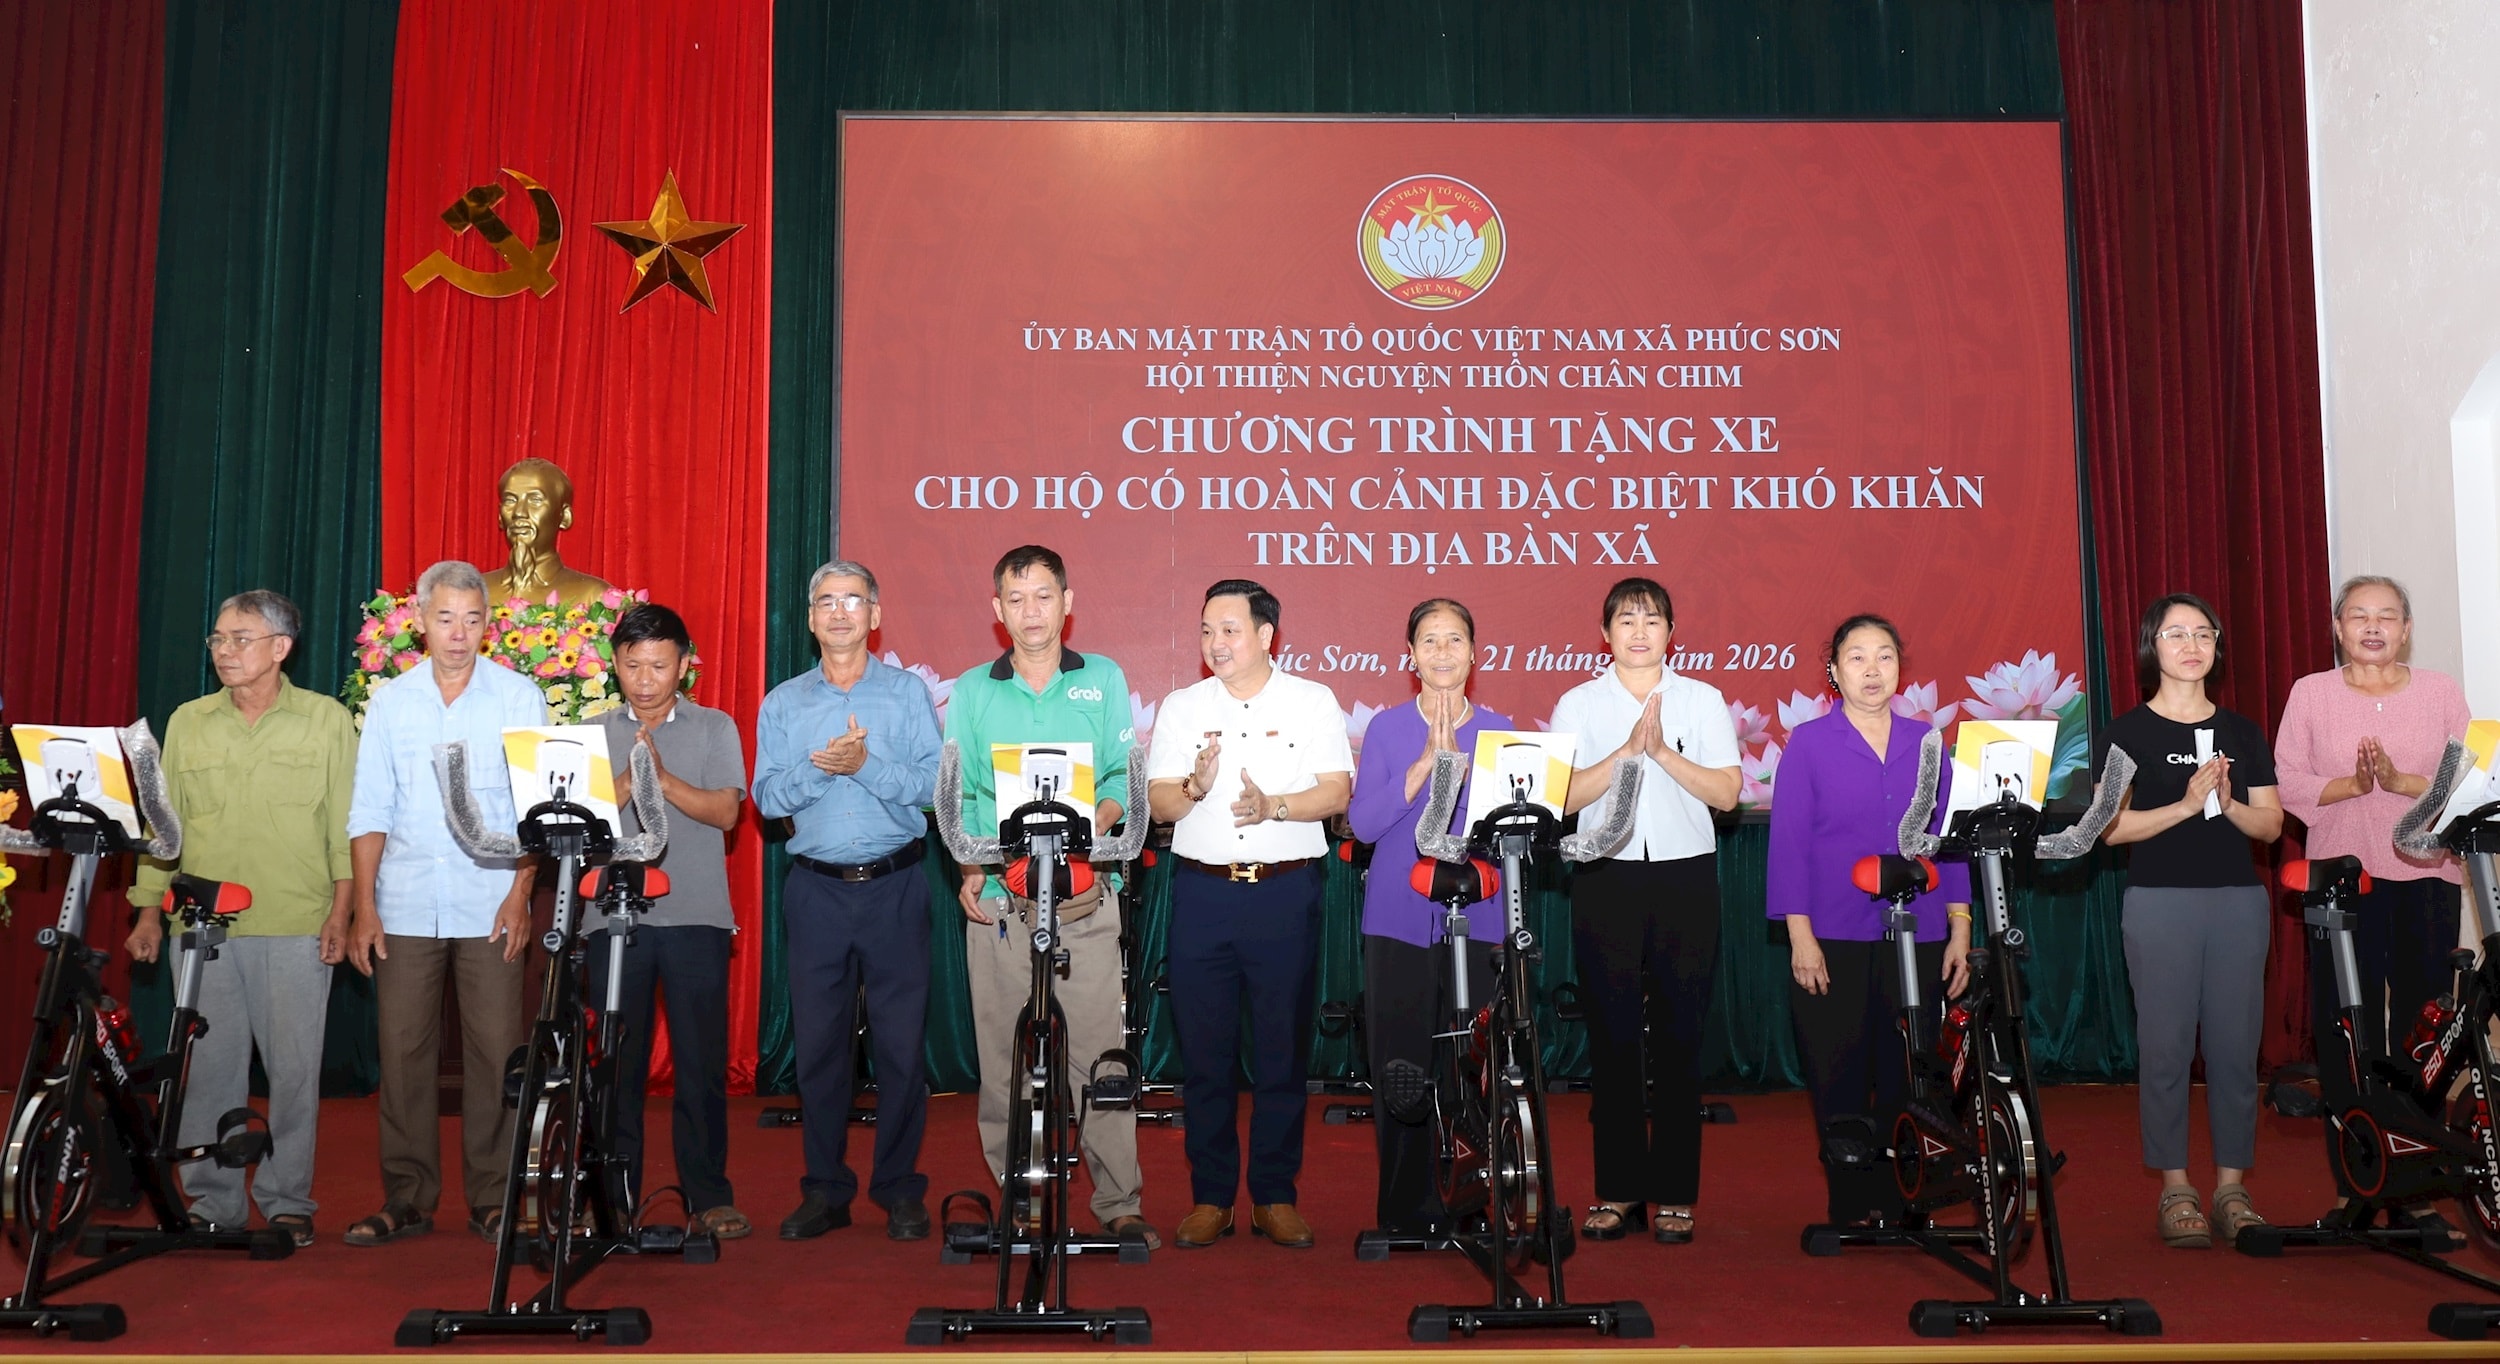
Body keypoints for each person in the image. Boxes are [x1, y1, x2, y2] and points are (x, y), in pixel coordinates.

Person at [127, 589, 355, 1248]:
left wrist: (343, 913)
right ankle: (214, 1201)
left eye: (240, 638)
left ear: (281, 648)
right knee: (207, 1072)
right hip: (201, 929)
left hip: (296, 920)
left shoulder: (326, 720)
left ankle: (288, 1200)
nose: (224, 651)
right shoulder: (188, 721)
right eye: (218, 639)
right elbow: (162, 828)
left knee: (293, 1073)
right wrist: (147, 912)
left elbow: (346, 827)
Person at [943, 545, 1155, 1249]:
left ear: (1067, 602)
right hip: (1001, 905)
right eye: (1016, 598)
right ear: (997, 610)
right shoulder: (973, 690)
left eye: (1043, 596)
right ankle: (1019, 1200)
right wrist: (969, 869)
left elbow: (1121, 776)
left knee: (1100, 1061)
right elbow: (958, 793)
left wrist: (1095, 818)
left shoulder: (1103, 678)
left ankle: (1119, 1202)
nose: (1030, 611)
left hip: (1086, 903)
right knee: (1005, 1062)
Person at [343, 560, 547, 1246]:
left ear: (489, 624)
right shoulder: (391, 702)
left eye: (472, 619)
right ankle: (407, 1197)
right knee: (403, 1053)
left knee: (496, 1053)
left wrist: (521, 893)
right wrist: (364, 907)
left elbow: (537, 809)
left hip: (490, 902)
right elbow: (370, 810)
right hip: (403, 903)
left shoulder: (518, 697)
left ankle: (493, 1198)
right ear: (420, 622)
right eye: (445, 618)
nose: (459, 633)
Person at [1145, 579, 1352, 1250]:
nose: (1216, 643)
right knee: (1205, 1056)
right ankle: (1211, 1198)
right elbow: (1159, 803)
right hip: (1203, 895)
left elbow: (1336, 791)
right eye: (1207, 630)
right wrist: (1194, 785)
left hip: (1283, 895)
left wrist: (1274, 807)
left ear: (1266, 636)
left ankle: (1274, 1195)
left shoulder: (1311, 700)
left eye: (1230, 630)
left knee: (1280, 1054)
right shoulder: (1183, 706)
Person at [2273, 574, 2470, 1232]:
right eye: (2358, 615)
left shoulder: (2440, 692)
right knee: (2345, 1026)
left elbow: (2465, 779)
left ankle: (2413, 1185)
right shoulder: (2310, 693)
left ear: (2406, 629)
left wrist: (2398, 780)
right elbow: (2287, 782)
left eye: (2387, 615)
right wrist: (2352, 785)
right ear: (2338, 628)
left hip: (2426, 877)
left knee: (2422, 1027)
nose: (2373, 626)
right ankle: (2356, 1179)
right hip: (2342, 880)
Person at [1549, 577, 1741, 1245]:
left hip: (1685, 878)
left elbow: (1727, 793)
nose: (1639, 631)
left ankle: (1676, 1194)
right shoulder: (1578, 702)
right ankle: (1619, 1189)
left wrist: (1661, 752)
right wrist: (1627, 752)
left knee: (1682, 1038)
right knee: (1613, 1039)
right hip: (1606, 876)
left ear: (1670, 633)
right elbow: (1562, 797)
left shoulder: (1702, 699)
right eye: (1626, 620)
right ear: (1605, 634)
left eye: (1652, 619)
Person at [753, 559, 940, 1242]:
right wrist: (820, 770)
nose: (839, 612)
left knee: (901, 1050)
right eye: (826, 601)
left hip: (896, 886)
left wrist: (867, 767)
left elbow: (934, 788)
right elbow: (766, 798)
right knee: (819, 1050)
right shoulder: (784, 703)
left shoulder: (908, 695)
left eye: (853, 600)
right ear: (811, 619)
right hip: (816, 893)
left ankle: (898, 1188)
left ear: (875, 615)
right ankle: (825, 1189)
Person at [1766, 614, 1971, 1229]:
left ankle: (1908, 1196)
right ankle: (1852, 1201)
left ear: (1900, 668)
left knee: (1910, 1067)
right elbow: (1789, 845)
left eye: (1885, 656)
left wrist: (1961, 925)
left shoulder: (1927, 741)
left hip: (1922, 930)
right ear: (1834, 671)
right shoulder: (1808, 743)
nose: (1872, 669)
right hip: (1833, 932)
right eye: (1857, 657)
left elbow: (1949, 837)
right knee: (1839, 1069)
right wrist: (1799, 935)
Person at [2097, 594, 2282, 1248]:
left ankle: (2232, 1187)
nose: (2191, 645)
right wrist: (2185, 804)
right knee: (2167, 1047)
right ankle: (2176, 1186)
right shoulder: (2125, 733)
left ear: (2216, 647)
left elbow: (2272, 824)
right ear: (2153, 648)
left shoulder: (2243, 733)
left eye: (2203, 633)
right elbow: (2110, 829)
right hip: (2160, 902)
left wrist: (2226, 805)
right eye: (2176, 634)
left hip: (2237, 902)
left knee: (2235, 1048)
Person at [1347, 598, 1507, 1235]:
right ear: (1411, 656)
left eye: (1455, 639)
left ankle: (1469, 1203)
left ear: (1474, 654)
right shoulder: (1387, 729)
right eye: (1430, 641)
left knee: (1474, 1065)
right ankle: (1405, 1210)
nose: (1443, 652)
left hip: (1480, 920)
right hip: (1398, 920)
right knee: (1403, 1069)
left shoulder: (1498, 730)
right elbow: (1363, 825)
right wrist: (1421, 770)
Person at [592, 603, 750, 1239]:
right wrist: (627, 781)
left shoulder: (714, 727)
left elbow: (727, 814)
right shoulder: (591, 732)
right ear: (616, 665)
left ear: (684, 665)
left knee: (700, 1064)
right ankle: (612, 1200)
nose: (645, 679)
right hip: (610, 920)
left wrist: (661, 778)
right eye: (633, 665)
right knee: (615, 1066)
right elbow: (577, 820)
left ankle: (708, 1195)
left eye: (659, 665)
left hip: (695, 917)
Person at [484, 458, 613, 609]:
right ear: (500, 516)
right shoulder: (472, 593)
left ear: (564, 517)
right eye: (510, 500)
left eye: (535, 500)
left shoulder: (595, 597)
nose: (519, 512)